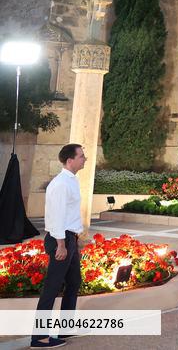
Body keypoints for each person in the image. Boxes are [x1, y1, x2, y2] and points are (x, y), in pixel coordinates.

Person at [31, 144, 88, 349]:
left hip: (69, 239)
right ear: (70, 160)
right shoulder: (61, 183)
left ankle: (65, 327)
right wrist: (61, 244)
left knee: (74, 282)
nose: (85, 159)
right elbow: (56, 216)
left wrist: (75, 238)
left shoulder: (72, 181)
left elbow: (69, 213)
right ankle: (39, 338)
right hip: (59, 241)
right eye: (81, 156)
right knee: (51, 288)